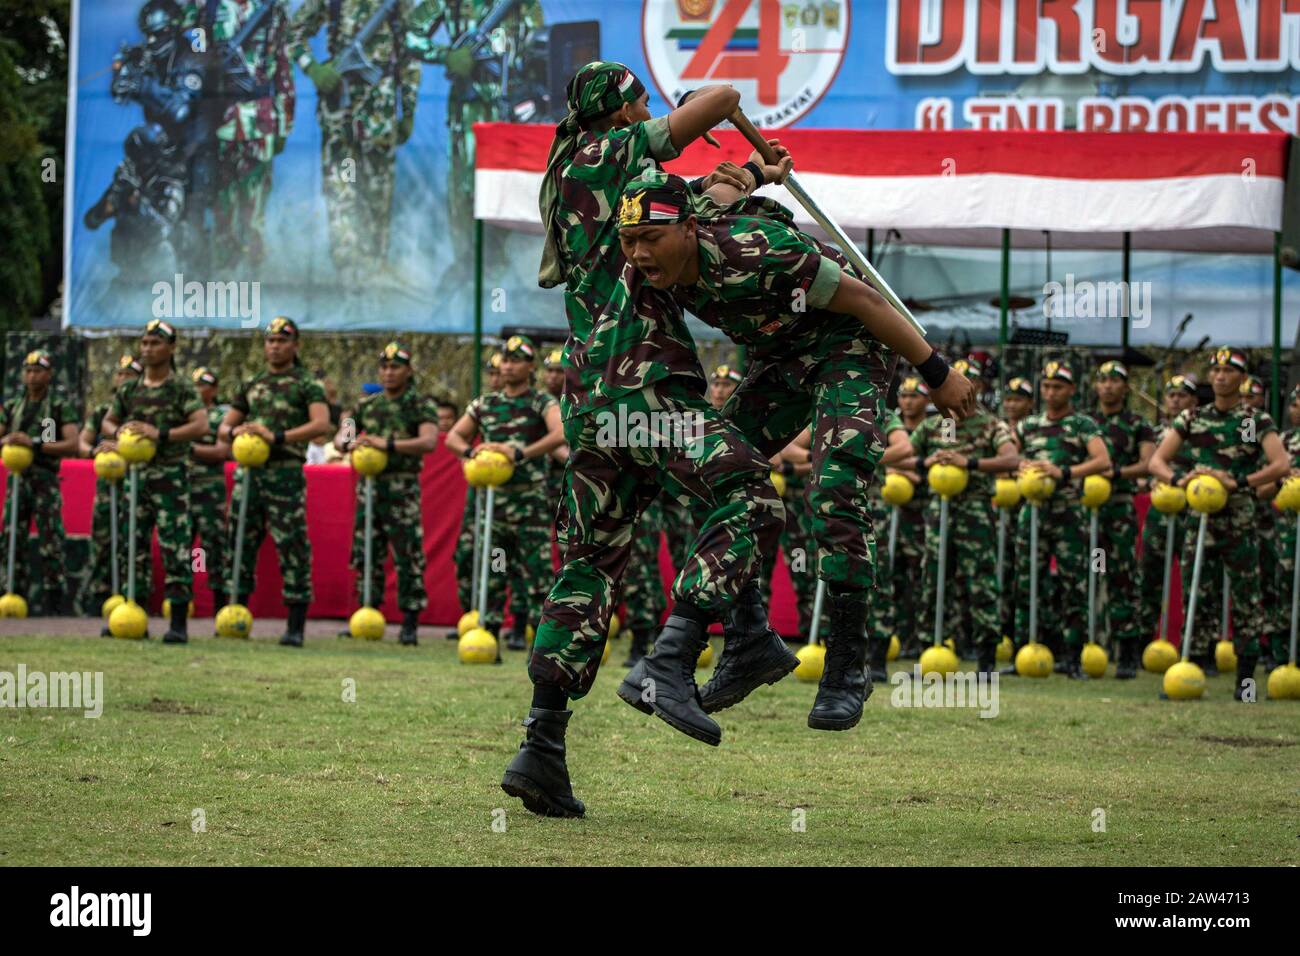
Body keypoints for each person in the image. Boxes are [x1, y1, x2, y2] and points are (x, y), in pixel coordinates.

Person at [500, 63, 787, 818]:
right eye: (640, 106)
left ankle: (542, 745)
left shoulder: (602, 187)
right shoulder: (602, 155)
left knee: (590, 564)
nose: (648, 117)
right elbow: (718, 101)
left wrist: (755, 172)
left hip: (596, 401)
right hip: (644, 385)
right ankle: (676, 653)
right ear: (618, 113)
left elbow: (695, 207)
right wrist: (725, 105)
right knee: (750, 491)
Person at [616, 169, 976, 727]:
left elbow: (866, 301)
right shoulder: (680, 230)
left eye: (651, 239)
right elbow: (724, 189)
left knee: (834, 490)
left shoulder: (760, 254)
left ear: (687, 229)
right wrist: (762, 171)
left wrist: (935, 371)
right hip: (780, 353)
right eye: (628, 240)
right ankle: (748, 641)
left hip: (850, 343)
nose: (639, 253)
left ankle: (847, 668)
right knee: (718, 471)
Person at [1148, 348, 1290, 699]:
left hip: (1240, 518)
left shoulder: (1250, 421)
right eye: (1216, 371)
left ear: (1242, 379)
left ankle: (1245, 682)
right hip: (1200, 519)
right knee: (1198, 592)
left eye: (1230, 371)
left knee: (1246, 596)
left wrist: (1238, 483)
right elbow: (1157, 461)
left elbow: (1280, 464)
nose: (1222, 376)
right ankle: (1189, 671)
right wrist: (1181, 479)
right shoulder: (1193, 418)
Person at [290, 0, 422, 290]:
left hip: (379, 116)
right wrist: (312, 69)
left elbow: (411, 51)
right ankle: (349, 276)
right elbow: (292, 33)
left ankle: (374, 272)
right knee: (342, 193)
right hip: (341, 115)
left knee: (377, 194)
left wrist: (408, 110)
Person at [216, 316, 332, 646]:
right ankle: (233, 615)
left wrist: (277, 436)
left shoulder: (307, 383)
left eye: (282, 341)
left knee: (292, 546)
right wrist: (237, 430)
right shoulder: (252, 383)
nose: (275, 346)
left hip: (285, 474)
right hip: (248, 476)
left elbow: (321, 424)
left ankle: (295, 626)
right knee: (239, 543)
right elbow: (224, 427)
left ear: (295, 346)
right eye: (270, 341)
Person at [446, 335, 564, 655]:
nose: (508, 365)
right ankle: (490, 639)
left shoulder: (542, 402)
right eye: (505, 360)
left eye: (515, 360)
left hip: (530, 503)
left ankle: (542, 644)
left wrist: (521, 453)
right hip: (495, 505)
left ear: (530, 366)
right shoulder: (485, 403)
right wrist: (473, 452)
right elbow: (454, 437)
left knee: (536, 573)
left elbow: (560, 433)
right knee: (494, 572)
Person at [99, 321, 208, 642]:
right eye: (144, 343)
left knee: (175, 549)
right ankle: (133, 617)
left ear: (171, 348)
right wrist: (118, 433)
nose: (147, 349)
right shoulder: (130, 389)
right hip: (135, 479)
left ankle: (177, 624)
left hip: (171, 479)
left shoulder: (181, 388)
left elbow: (199, 425)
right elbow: (108, 420)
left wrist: (159, 434)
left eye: (155, 343)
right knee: (133, 548)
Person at [910, 358, 1019, 674]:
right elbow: (904, 456)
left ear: (979, 387)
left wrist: (968, 464)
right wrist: (926, 463)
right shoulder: (934, 425)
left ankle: (986, 654)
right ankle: (930, 646)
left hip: (975, 513)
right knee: (933, 578)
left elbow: (1011, 459)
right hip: (937, 514)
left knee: (981, 583)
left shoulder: (990, 425)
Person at [335, 342, 439, 644]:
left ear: (408, 370)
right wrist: (348, 443)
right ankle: (368, 612)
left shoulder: (419, 405)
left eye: (395, 367)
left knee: (407, 554)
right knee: (366, 551)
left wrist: (388, 444)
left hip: (402, 487)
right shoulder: (367, 405)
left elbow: (429, 442)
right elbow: (344, 433)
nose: (388, 372)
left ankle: (410, 622)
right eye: (384, 367)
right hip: (370, 488)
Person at [1013, 360, 1112, 678]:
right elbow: (1010, 457)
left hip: (1069, 514)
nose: (1051, 391)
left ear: (1071, 389)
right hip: (1033, 513)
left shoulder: (1082, 424)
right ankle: (1026, 650)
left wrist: (1064, 472)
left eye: (1058, 386)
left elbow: (1102, 460)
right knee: (1028, 581)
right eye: (1047, 385)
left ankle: (1072, 656)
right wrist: (1020, 468)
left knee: (1074, 584)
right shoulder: (1028, 425)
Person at [1089, 361, 1156, 678]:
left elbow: (1149, 464)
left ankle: (1127, 653)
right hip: (1088, 510)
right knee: (1084, 576)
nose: (1107, 386)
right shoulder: (1085, 422)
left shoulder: (1137, 423)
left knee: (1122, 578)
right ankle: (1080, 648)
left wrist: (1115, 473)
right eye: (1102, 380)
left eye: (1115, 380)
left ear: (1125, 387)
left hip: (1119, 507)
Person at [0, 350, 79, 614]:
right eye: (28, 370)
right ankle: (11, 593)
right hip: (18, 479)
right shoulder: (12, 406)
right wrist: (10, 440)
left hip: (45, 479)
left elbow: (72, 443)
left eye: (38, 370)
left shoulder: (57, 405)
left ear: (49, 374)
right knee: (11, 536)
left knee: (51, 539)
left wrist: (35, 443)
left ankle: (53, 604)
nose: (32, 376)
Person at [80, 354, 143, 623]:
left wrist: (125, 448)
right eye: (120, 373)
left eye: (130, 374)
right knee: (103, 539)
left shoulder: (143, 410)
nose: (123, 378)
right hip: (107, 485)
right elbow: (81, 443)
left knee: (133, 541)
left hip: (137, 483)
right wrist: (96, 450)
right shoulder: (102, 412)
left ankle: (136, 596)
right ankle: (99, 597)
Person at [1137, 375, 1198, 647]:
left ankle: (1193, 643)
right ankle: (1140, 640)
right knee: (1150, 574)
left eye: (1182, 395)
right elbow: (1144, 467)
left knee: (1192, 577)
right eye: (1171, 395)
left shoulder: (1202, 430)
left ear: (1193, 401)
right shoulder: (1152, 433)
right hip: (1159, 512)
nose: (1175, 400)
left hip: (1192, 510)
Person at [187, 366, 229, 612]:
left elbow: (221, 452)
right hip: (181, 489)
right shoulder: (181, 416)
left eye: (203, 385)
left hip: (210, 492)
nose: (197, 390)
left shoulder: (221, 417)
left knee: (212, 546)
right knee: (182, 548)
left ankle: (219, 604)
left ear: (213, 389)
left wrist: (188, 449)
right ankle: (182, 601)